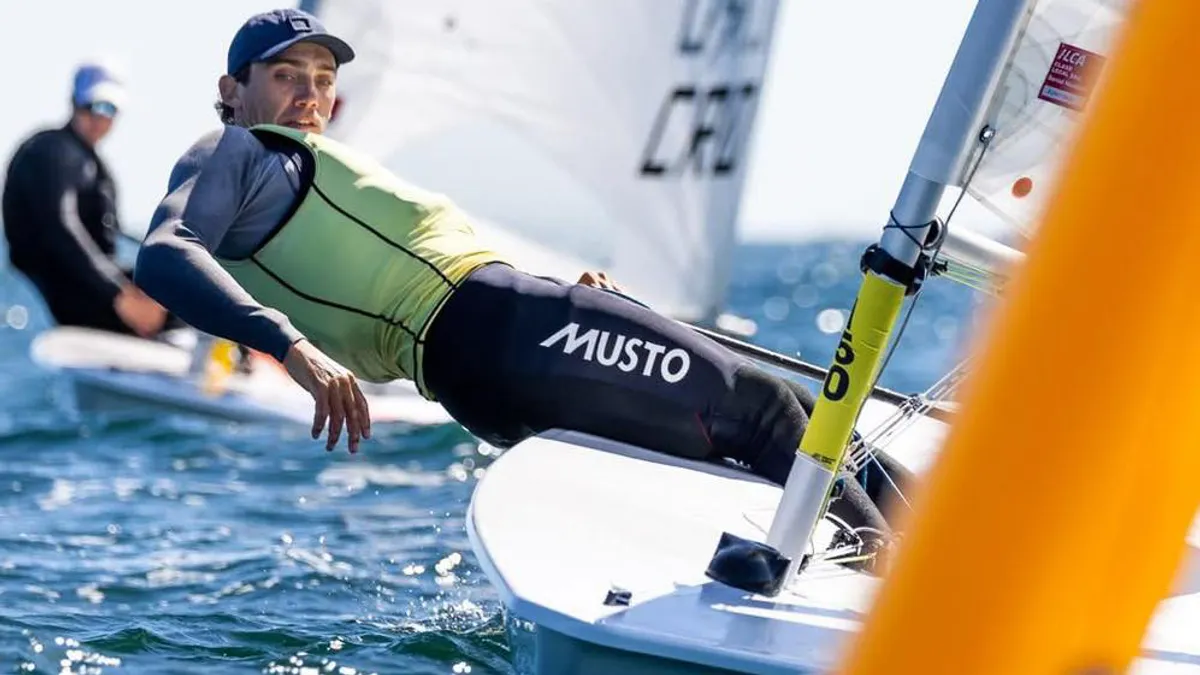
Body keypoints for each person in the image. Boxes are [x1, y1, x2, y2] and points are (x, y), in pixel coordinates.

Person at [133, 8, 913, 555]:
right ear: (232, 90)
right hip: (497, 336)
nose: (309, 94)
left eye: (323, 76)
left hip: (499, 348)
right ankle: (903, 592)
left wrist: (569, 298)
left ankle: (936, 548)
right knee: (767, 413)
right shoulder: (236, 152)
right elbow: (164, 253)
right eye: (285, 75)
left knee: (807, 417)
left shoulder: (297, 163)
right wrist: (292, 348)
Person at [2, 61, 171, 338]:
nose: (99, 117)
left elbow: (111, 236)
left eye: (109, 109)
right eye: (91, 106)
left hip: (83, 285)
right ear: (74, 103)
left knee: (177, 286)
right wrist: (119, 294)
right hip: (49, 293)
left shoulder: (94, 166)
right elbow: (60, 226)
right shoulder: (52, 150)